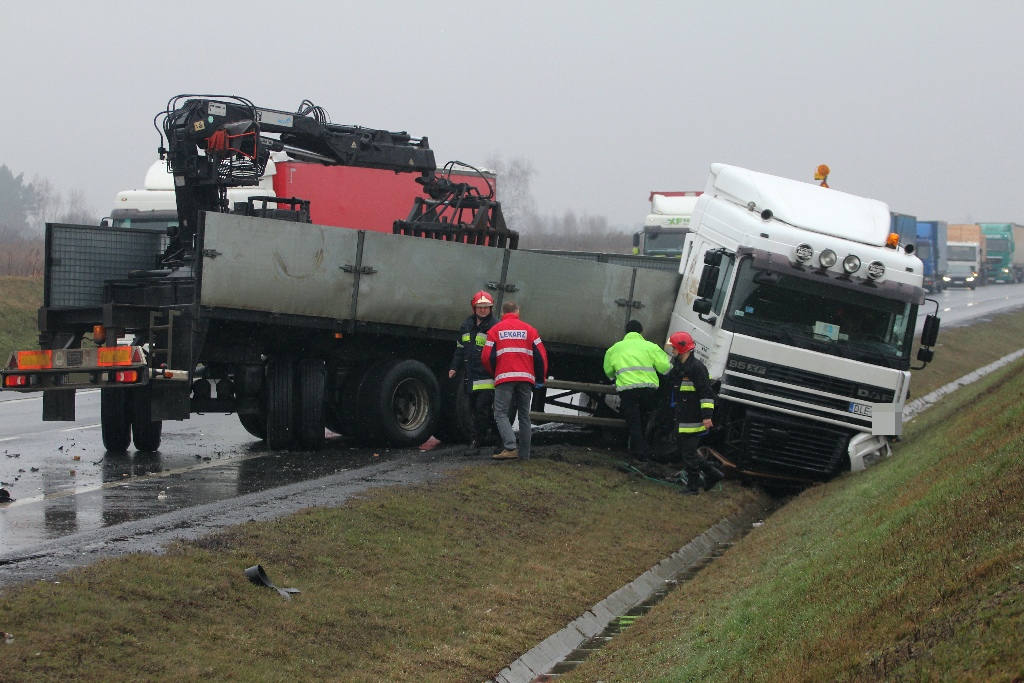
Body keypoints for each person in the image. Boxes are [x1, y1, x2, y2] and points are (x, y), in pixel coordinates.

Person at [481, 301, 548, 461]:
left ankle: (510, 447)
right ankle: (524, 455)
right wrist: (540, 378)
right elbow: (541, 357)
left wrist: (495, 372)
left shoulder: (495, 330)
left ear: (503, 314)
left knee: (501, 413)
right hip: (526, 379)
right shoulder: (530, 330)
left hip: (505, 377)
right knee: (524, 415)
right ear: (517, 313)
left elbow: (486, 357)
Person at [666, 331, 723, 495]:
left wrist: (706, 417)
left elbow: (706, 393)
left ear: (681, 349)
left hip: (695, 418)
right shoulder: (681, 367)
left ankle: (693, 487)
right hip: (684, 416)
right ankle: (712, 474)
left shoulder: (697, 368)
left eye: (674, 348)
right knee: (686, 452)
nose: (672, 351)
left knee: (689, 453)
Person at [603, 320, 670, 458]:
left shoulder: (614, 349)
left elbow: (608, 372)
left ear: (626, 332)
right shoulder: (651, 347)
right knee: (645, 417)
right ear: (641, 332)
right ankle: (645, 447)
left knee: (633, 421)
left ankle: (638, 451)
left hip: (628, 391)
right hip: (648, 390)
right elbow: (665, 368)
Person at [449, 291, 500, 455]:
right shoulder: (466, 326)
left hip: (487, 376)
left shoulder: (495, 327)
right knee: (481, 411)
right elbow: (460, 350)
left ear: (491, 308)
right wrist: (454, 367)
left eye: (486, 307)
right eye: (480, 307)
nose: (483, 310)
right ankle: (501, 439)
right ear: (474, 308)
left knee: (480, 410)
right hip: (470, 376)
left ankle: (476, 442)